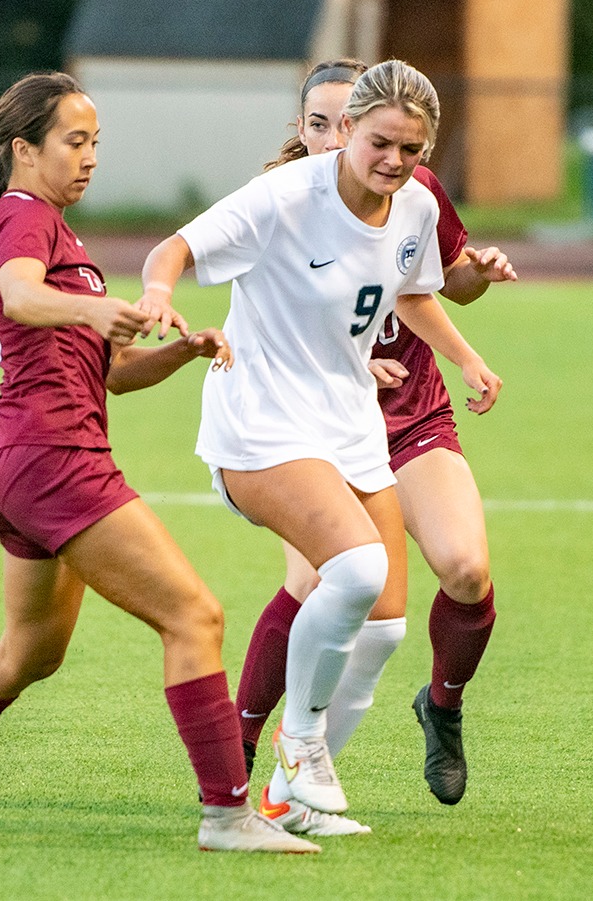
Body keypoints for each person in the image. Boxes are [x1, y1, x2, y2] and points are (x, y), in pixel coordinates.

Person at [0, 71, 314, 854]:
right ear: (23, 150)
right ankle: (226, 815)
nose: (90, 157)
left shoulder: (55, 228)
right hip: (52, 457)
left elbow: (106, 372)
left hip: (19, 459)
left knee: (32, 651)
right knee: (196, 615)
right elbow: (18, 296)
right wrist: (96, 307)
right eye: (75, 141)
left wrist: (179, 351)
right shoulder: (20, 214)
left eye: (95, 142)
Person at [136, 59, 502, 833]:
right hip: (261, 423)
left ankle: (283, 800)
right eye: (379, 143)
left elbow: (404, 292)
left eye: (411, 148)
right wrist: (159, 295)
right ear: (346, 132)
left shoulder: (411, 208)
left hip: (349, 420)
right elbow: (173, 248)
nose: (393, 161)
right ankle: (298, 740)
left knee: (384, 628)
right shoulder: (285, 196)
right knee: (357, 565)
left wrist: (442, 354)